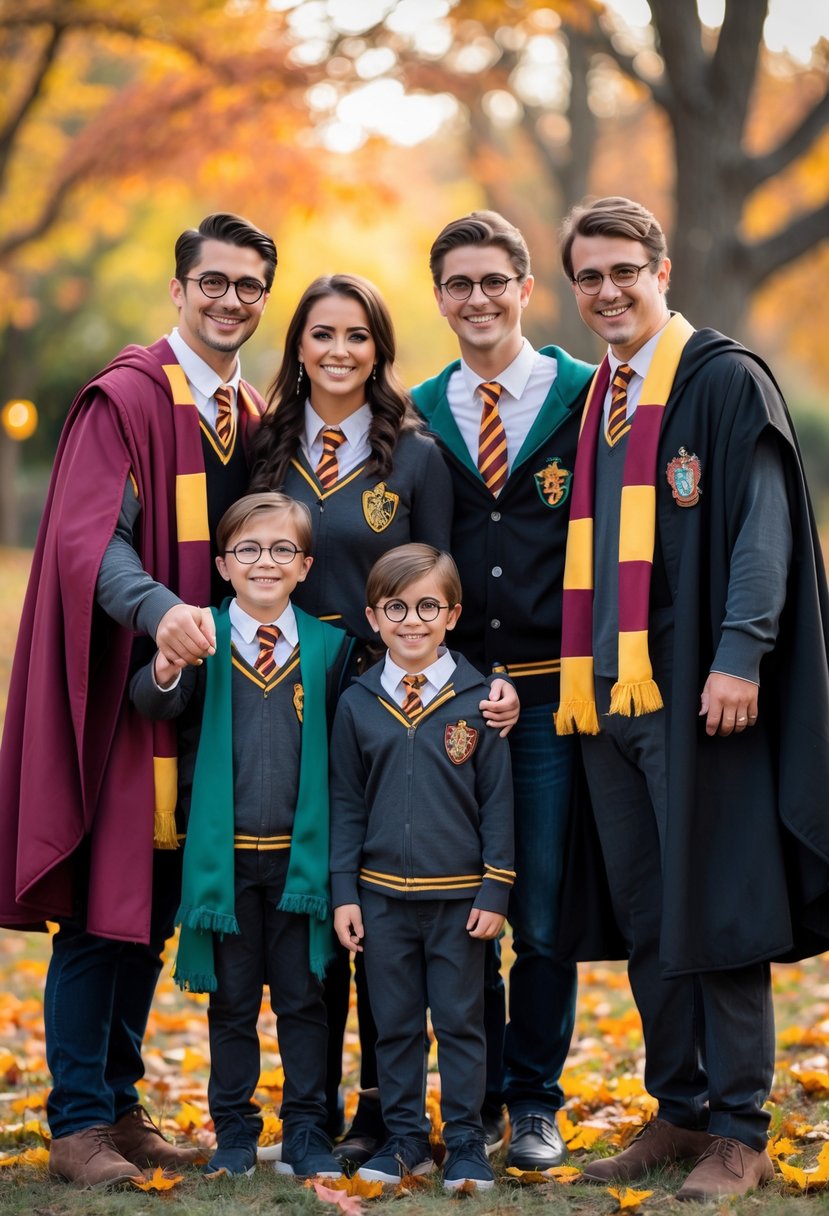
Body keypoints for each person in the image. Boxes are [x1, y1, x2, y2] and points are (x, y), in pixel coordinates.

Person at [556, 195, 829, 1202]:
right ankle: (675, 1108)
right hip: (609, 701)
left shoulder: (719, 381)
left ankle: (739, 1128)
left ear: (661, 268)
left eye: (625, 268)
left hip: (699, 694)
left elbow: (765, 531)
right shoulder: (601, 399)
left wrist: (740, 655)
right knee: (650, 910)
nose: (608, 289)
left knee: (716, 903)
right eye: (589, 274)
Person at [0, 213, 277, 1187]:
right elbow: (88, 541)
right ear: (179, 287)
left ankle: (119, 1104)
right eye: (214, 281)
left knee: (155, 904)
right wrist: (161, 612)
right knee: (100, 904)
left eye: (249, 285)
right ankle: (74, 1122)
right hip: (120, 697)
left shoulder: (249, 416)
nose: (231, 298)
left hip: (208, 711)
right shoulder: (125, 398)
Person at [248, 273, 518, 1164]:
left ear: (380, 348)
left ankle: (393, 1114)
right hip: (283, 700)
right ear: (296, 345)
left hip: (386, 700)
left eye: (357, 336)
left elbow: (447, 589)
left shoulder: (416, 454)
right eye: (321, 334)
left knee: (403, 905)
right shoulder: (264, 446)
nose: (338, 351)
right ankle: (313, 1112)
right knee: (323, 904)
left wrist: (484, 685)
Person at [411, 211, 594, 1168]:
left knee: (544, 906)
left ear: (527, 290)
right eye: (457, 285)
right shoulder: (418, 411)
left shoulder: (581, 395)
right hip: (447, 702)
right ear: (438, 298)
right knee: (456, 903)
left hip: (546, 700)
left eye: (493, 282)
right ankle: (471, 1100)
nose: (476, 300)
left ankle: (532, 1101)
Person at [131, 492, 348, 1180]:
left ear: (305, 564)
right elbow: (152, 698)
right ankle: (234, 1133)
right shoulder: (202, 641)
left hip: (300, 870)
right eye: (248, 550)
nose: (264, 561)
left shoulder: (331, 649)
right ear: (223, 564)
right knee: (230, 1006)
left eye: (281, 549)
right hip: (222, 866)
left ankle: (308, 1129)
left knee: (304, 1003)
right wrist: (167, 664)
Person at [330, 543, 514, 1190]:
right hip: (379, 901)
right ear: (373, 617)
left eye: (427, 606)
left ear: (452, 613)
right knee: (397, 1025)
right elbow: (346, 805)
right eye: (396, 608)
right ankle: (406, 1139)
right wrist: (342, 892)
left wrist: (495, 887)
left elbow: (497, 803)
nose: (412, 621)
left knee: (461, 1023)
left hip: (459, 902)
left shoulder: (478, 702)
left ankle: (464, 1141)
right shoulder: (356, 703)